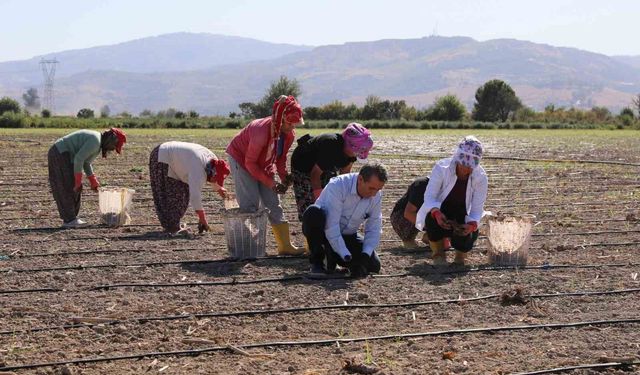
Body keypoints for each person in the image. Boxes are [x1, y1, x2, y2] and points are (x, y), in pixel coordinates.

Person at [226, 95, 305, 255]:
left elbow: (280, 159)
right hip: (242, 160)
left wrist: (284, 178)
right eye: (289, 123)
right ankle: (249, 247)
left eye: (295, 123)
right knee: (250, 204)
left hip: (264, 162)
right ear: (280, 119)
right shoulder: (260, 131)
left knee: (274, 203)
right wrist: (271, 183)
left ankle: (285, 246)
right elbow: (250, 164)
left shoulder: (289, 135)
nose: (292, 127)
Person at [302, 163, 387, 277]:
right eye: (371, 188)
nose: (374, 194)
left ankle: (333, 257)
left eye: (378, 189)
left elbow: (374, 227)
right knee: (313, 213)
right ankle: (318, 261)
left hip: (348, 235)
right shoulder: (338, 186)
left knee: (373, 266)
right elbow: (331, 226)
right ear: (360, 179)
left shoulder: (376, 195)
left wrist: (365, 256)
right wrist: (345, 254)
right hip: (325, 233)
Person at [415, 136, 488, 266]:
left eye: (470, 166)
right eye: (463, 164)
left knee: (467, 233)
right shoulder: (441, 168)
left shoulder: (481, 177)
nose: (466, 169)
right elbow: (430, 197)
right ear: (457, 159)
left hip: (462, 214)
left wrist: (471, 225)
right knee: (431, 219)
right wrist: (437, 213)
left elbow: (477, 209)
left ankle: (460, 256)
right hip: (443, 211)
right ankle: (438, 254)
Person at [291, 123, 373, 223]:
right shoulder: (331, 147)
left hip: (324, 166)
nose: (358, 154)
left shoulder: (352, 152)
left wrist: (345, 198)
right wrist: (320, 203)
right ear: (349, 145)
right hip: (303, 165)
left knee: (332, 196)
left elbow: (345, 174)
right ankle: (311, 230)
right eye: (358, 151)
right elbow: (315, 176)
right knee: (310, 206)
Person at [48, 128, 127, 228]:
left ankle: (71, 219)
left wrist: (93, 180)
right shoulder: (95, 141)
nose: (112, 149)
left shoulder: (97, 143)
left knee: (72, 186)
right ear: (111, 140)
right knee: (67, 186)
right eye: (114, 146)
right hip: (60, 153)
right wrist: (77, 182)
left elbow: (86, 162)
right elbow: (79, 159)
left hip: (65, 154)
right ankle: (69, 220)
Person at [149, 141, 230, 234]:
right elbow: (195, 196)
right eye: (215, 179)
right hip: (162, 157)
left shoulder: (214, 162)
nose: (215, 181)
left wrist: (219, 189)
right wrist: (202, 218)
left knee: (182, 194)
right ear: (212, 172)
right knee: (172, 195)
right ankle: (172, 227)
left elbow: (213, 177)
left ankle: (173, 225)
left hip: (174, 156)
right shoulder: (198, 170)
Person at [390, 176, 430, 249]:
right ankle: (410, 240)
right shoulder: (422, 184)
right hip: (401, 217)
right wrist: (432, 229)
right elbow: (408, 213)